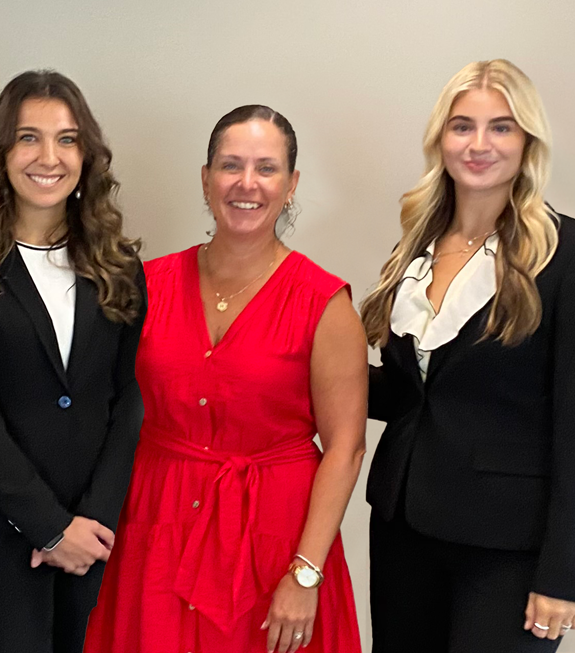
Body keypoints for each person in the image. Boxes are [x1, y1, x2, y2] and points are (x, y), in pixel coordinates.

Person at [85, 105, 366, 653]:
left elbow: (346, 448)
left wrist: (306, 573)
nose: (247, 183)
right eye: (231, 165)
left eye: (267, 168)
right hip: (155, 526)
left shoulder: (323, 302)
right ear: (206, 178)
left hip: (273, 540)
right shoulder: (146, 285)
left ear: (291, 185)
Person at [0, 70, 146, 653]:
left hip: (96, 535)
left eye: (67, 139)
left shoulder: (120, 265)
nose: (49, 156)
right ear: (1, 152)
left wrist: (90, 521)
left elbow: (128, 400)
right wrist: (48, 526)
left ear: (86, 155)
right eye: (28, 137)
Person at [361, 59, 575, 653]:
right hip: (404, 525)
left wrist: (564, 574)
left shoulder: (566, 255)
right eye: (462, 126)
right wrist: (310, 361)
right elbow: (415, 396)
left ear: (528, 141)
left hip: (509, 549)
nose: (479, 144)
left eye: (501, 127)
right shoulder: (417, 246)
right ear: (441, 139)